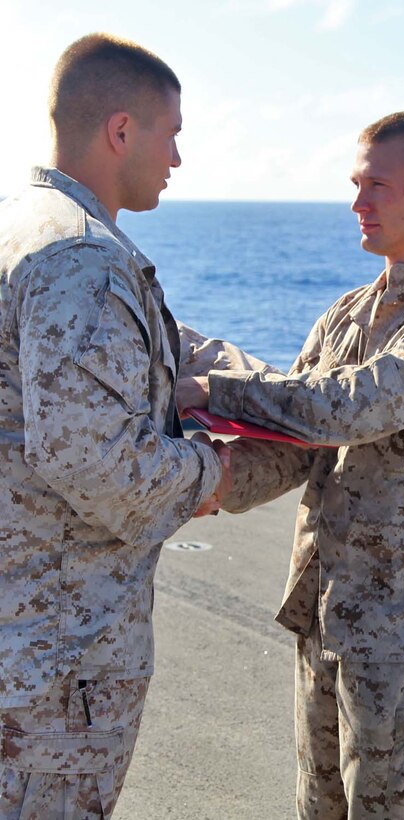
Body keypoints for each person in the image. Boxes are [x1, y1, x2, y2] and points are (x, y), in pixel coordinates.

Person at [178, 111, 404, 818]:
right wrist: (203, 482)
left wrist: (210, 385)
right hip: (330, 617)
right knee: (321, 807)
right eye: (354, 183)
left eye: (376, 184)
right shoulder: (347, 314)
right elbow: (296, 445)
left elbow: (350, 407)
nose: (356, 203)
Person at [0, 32, 253, 819]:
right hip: (53, 669)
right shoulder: (81, 257)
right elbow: (98, 467)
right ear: (121, 131)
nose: (176, 158)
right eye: (170, 134)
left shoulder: (24, 226)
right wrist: (220, 474)